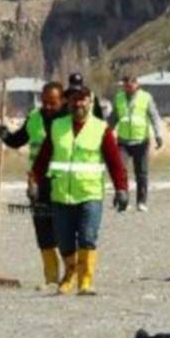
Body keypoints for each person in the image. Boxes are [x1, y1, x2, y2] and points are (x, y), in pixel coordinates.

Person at [30, 85, 128, 296]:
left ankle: (85, 281)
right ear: (69, 102)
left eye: (83, 100)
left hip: (89, 194)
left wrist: (122, 189)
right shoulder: (57, 127)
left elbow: (115, 164)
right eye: (75, 99)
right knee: (64, 241)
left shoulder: (101, 129)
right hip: (61, 195)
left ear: (90, 102)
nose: (79, 104)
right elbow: (42, 159)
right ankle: (69, 275)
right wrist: (34, 181)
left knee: (87, 237)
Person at [0, 81, 67, 290]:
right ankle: (51, 277)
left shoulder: (68, 120)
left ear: (61, 101)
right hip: (37, 182)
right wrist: (5, 135)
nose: (47, 106)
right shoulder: (34, 118)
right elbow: (18, 140)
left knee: (63, 230)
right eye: (44, 102)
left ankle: (70, 274)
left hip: (62, 182)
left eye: (52, 103)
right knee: (43, 230)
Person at [109, 75, 164, 212]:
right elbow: (113, 119)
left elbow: (154, 117)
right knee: (120, 171)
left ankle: (141, 201)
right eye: (125, 86)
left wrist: (158, 135)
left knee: (141, 173)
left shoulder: (146, 97)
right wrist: (105, 135)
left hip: (141, 141)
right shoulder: (119, 98)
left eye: (130, 85)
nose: (128, 88)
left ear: (136, 85)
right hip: (123, 141)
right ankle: (123, 200)